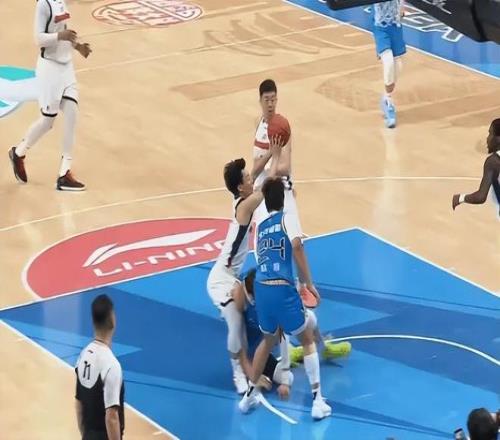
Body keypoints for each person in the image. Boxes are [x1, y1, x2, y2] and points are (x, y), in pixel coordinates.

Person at [239, 177, 331, 420]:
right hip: (281, 287)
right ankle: (317, 401)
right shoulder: (287, 218)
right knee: (307, 338)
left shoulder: (261, 227)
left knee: (268, 340)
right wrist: (308, 283)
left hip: (261, 287)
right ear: (283, 199)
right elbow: (297, 247)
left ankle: (248, 397)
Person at [206, 137, 283, 393]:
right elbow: (269, 187)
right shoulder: (246, 205)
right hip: (220, 280)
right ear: (241, 187)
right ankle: (242, 374)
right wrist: (275, 161)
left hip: (229, 275)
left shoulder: (239, 197)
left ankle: (260, 356)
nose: (252, 178)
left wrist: (270, 153)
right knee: (235, 321)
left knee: (247, 314)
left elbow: (256, 172)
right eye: (247, 178)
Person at [9, 0, 91, 190]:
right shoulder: (43, 5)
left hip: (66, 67)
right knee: (47, 121)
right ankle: (18, 152)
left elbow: (64, 29)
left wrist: (77, 46)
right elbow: (39, 39)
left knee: (72, 114)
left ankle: (64, 173)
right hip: (50, 69)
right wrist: (60, 36)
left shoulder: (60, 1)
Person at [75, 295, 124, 440]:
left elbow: (79, 404)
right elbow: (111, 417)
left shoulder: (82, 356)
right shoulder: (111, 365)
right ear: (112, 319)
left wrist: (85, 435)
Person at [453, 119, 500, 217]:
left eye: (490, 134)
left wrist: (460, 198)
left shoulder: (493, 162)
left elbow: (480, 197)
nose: (487, 139)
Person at [372, 0, 406, 128]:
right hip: (380, 25)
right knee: (388, 61)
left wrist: (402, 5)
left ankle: (386, 97)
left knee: (398, 65)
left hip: (395, 26)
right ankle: (388, 102)